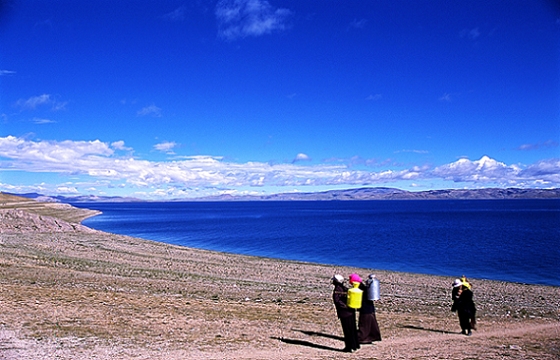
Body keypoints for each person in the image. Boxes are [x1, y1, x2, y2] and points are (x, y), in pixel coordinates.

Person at [331, 274, 360, 352]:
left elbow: (337, 301)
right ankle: (355, 345)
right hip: (351, 311)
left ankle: (349, 347)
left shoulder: (337, 290)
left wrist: (344, 307)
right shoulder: (345, 289)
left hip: (345, 313)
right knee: (353, 329)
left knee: (347, 330)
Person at [357, 274, 382, 344]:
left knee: (364, 325)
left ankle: (362, 338)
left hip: (365, 309)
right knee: (371, 324)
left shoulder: (360, 288)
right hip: (370, 309)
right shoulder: (367, 287)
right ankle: (372, 337)